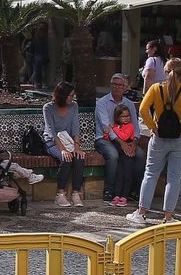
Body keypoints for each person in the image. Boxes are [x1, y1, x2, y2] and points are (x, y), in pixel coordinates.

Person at [127, 58, 181, 225]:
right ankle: (168, 216)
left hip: (159, 137)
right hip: (180, 138)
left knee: (150, 174)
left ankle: (141, 212)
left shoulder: (156, 88)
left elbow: (143, 109)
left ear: (165, 72)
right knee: (174, 178)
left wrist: (152, 127)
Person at [41, 81, 85, 207]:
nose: (72, 98)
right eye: (70, 95)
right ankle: (60, 194)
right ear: (62, 95)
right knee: (66, 158)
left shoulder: (74, 106)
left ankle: (76, 193)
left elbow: (75, 128)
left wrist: (77, 146)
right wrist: (63, 150)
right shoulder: (48, 108)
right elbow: (51, 131)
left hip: (69, 141)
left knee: (79, 157)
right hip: (52, 142)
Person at [92, 74, 132, 203]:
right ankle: (109, 191)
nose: (117, 87)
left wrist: (135, 142)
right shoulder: (102, 103)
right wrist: (122, 143)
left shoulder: (129, 104)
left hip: (126, 139)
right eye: (114, 84)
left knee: (139, 155)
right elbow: (107, 128)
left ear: (125, 87)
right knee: (113, 155)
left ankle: (132, 191)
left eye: (120, 85)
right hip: (104, 139)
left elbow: (135, 126)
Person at [107, 103, 142, 206]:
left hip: (128, 152)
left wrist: (113, 129)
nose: (126, 118)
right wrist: (108, 131)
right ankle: (117, 194)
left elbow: (124, 137)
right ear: (118, 117)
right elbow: (108, 136)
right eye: (123, 116)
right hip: (120, 153)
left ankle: (125, 196)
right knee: (120, 174)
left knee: (127, 173)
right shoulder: (117, 126)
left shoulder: (130, 126)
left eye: (128, 116)